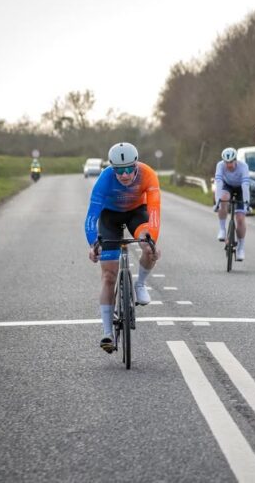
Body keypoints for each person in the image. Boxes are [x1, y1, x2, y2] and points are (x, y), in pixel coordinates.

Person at [85, 142, 161, 354]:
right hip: (110, 217)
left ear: (136, 164)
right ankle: (107, 332)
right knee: (108, 276)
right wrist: (94, 243)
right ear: (112, 168)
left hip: (137, 213)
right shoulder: (104, 179)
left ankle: (140, 284)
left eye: (129, 168)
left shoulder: (148, 174)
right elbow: (92, 215)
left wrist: (151, 237)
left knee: (149, 248)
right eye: (119, 169)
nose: (125, 174)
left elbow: (154, 211)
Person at [214, 147, 251, 261]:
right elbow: (219, 184)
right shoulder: (220, 165)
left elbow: (245, 187)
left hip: (240, 188)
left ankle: (240, 247)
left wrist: (246, 204)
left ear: (235, 160)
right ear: (223, 161)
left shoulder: (243, 166)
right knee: (223, 198)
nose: (229, 165)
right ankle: (222, 229)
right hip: (227, 186)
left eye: (231, 162)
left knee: (240, 218)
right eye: (226, 162)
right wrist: (217, 203)